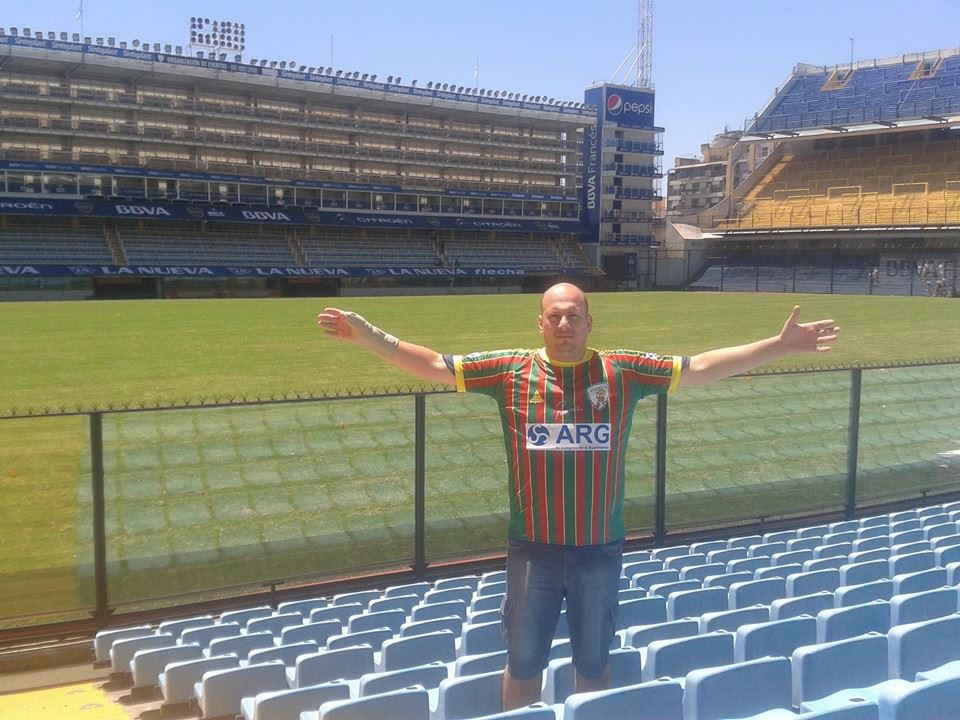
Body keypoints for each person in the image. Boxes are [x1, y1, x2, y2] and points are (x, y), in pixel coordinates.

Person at [317, 283, 839, 709]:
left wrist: (780, 345)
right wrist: (370, 338)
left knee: (593, 661)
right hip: (533, 552)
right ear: (540, 324)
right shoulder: (510, 371)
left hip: (599, 550)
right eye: (554, 316)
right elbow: (434, 364)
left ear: (590, 322)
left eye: (574, 315)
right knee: (523, 662)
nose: (564, 324)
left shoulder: (623, 371)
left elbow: (700, 367)